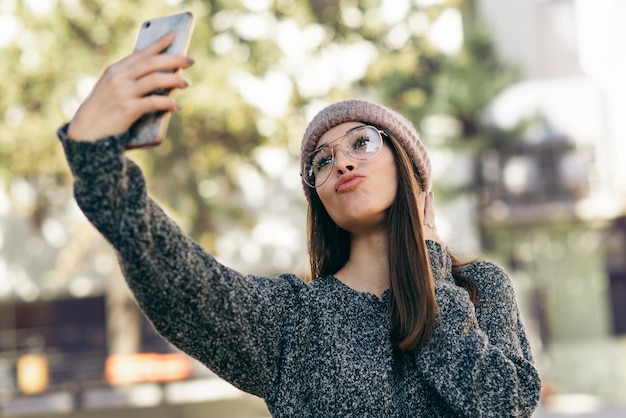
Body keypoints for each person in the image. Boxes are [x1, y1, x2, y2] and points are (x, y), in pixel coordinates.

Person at [57, 33, 541, 417]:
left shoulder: (480, 289)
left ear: (415, 179)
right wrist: (96, 159)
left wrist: (431, 271)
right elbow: (181, 282)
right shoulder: (293, 319)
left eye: (362, 143)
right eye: (322, 162)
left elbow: (503, 404)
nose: (342, 165)